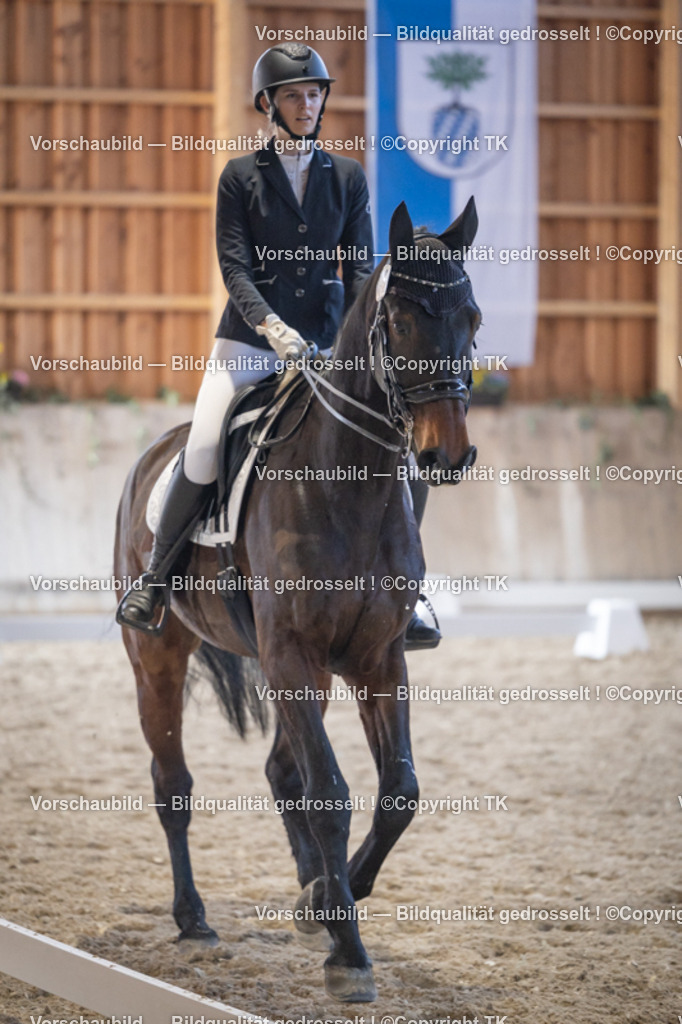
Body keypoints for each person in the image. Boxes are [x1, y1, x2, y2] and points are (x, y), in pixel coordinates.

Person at [116, 43, 439, 649]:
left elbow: (360, 269)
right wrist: (271, 327)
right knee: (206, 445)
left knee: (399, 447)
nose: (307, 102)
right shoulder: (241, 177)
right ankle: (156, 578)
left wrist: (349, 336)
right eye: (294, 94)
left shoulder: (347, 177)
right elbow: (234, 267)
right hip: (248, 346)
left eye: (314, 92)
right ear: (269, 103)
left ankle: (411, 593)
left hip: (326, 350)